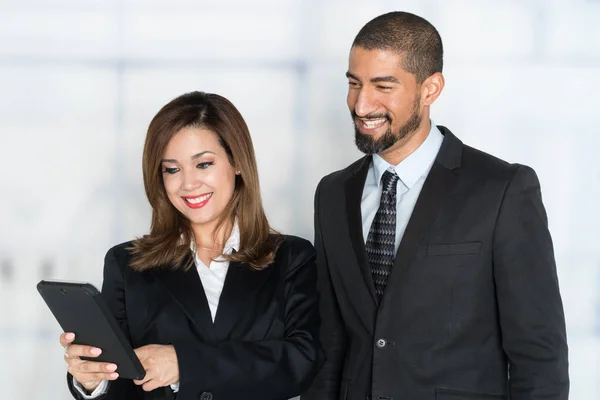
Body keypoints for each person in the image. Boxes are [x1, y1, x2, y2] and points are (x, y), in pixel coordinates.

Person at [303, 11, 569, 400]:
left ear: (430, 89)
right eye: (354, 83)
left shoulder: (503, 190)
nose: (361, 105)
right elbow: (330, 342)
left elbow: (538, 357)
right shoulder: (332, 193)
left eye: (383, 85)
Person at [59, 91, 323, 400]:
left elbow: (300, 362)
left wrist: (184, 363)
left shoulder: (291, 258)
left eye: (203, 164)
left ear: (237, 162)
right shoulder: (126, 264)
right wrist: (93, 382)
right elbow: (122, 386)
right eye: (172, 169)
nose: (188, 183)